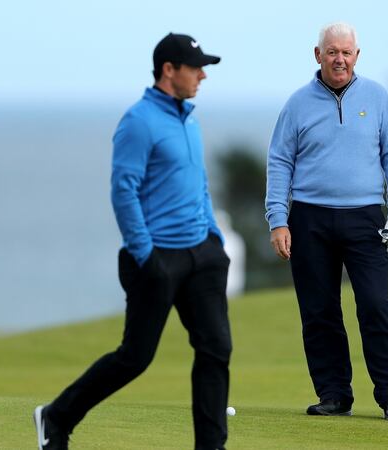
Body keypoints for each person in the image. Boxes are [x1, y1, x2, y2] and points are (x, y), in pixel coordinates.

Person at [33, 33, 232, 449]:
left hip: (202, 253)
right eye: (195, 68)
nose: (202, 76)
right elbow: (123, 190)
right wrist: (146, 254)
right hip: (157, 256)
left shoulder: (188, 117)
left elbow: (199, 183)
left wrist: (213, 236)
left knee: (215, 349)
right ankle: (57, 416)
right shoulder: (138, 121)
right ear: (168, 70)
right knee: (135, 358)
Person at [265, 21, 388, 421]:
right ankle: (334, 394)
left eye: (346, 52)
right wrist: (278, 220)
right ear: (318, 55)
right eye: (332, 51)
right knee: (319, 310)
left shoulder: (377, 98)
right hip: (309, 217)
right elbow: (280, 161)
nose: (339, 59)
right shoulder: (297, 103)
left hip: (365, 216)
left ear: (357, 56)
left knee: (374, 304)